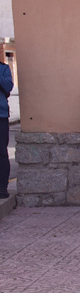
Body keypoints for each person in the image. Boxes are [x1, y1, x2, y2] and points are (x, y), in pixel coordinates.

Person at [0, 58, 13, 199]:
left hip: (0, 116)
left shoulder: (3, 69)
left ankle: (2, 187)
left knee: (1, 153)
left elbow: (8, 87)